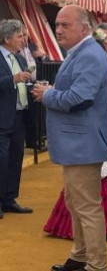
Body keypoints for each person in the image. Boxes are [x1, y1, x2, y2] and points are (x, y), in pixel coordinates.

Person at [32, 5, 107, 271]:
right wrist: (54, 90)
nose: (58, 30)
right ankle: (80, 256)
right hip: (78, 143)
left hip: (83, 143)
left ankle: (96, 264)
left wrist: (48, 95)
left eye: (65, 25)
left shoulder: (89, 55)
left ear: (83, 28)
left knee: (86, 207)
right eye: (57, 25)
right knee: (77, 203)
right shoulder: (83, 52)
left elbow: (81, 99)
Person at [0, 19, 33, 220]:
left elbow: (22, 83)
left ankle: (10, 198)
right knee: (1, 159)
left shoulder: (20, 59)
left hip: (19, 116)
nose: (23, 39)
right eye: (20, 36)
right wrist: (13, 79)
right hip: (2, 117)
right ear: (7, 38)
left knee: (16, 157)